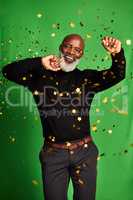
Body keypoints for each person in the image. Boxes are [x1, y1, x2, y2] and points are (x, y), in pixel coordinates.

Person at [2, 34, 126, 200]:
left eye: (77, 50)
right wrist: (40, 62)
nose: (71, 52)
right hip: (53, 154)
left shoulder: (86, 79)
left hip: (85, 153)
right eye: (68, 46)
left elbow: (117, 74)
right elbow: (8, 71)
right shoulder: (39, 77)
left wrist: (117, 54)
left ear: (81, 55)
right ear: (61, 47)